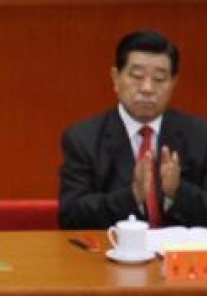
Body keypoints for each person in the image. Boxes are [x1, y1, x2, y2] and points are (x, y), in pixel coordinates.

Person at [58, 30, 207, 229]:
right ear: (115, 78)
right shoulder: (83, 139)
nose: (147, 88)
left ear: (173, 83)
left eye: (159, 79)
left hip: (182, 257)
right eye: (137, 76)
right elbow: (71, 216)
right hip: (110, 256)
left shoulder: (200, 135)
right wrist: (132, 196)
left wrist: (178, 192)